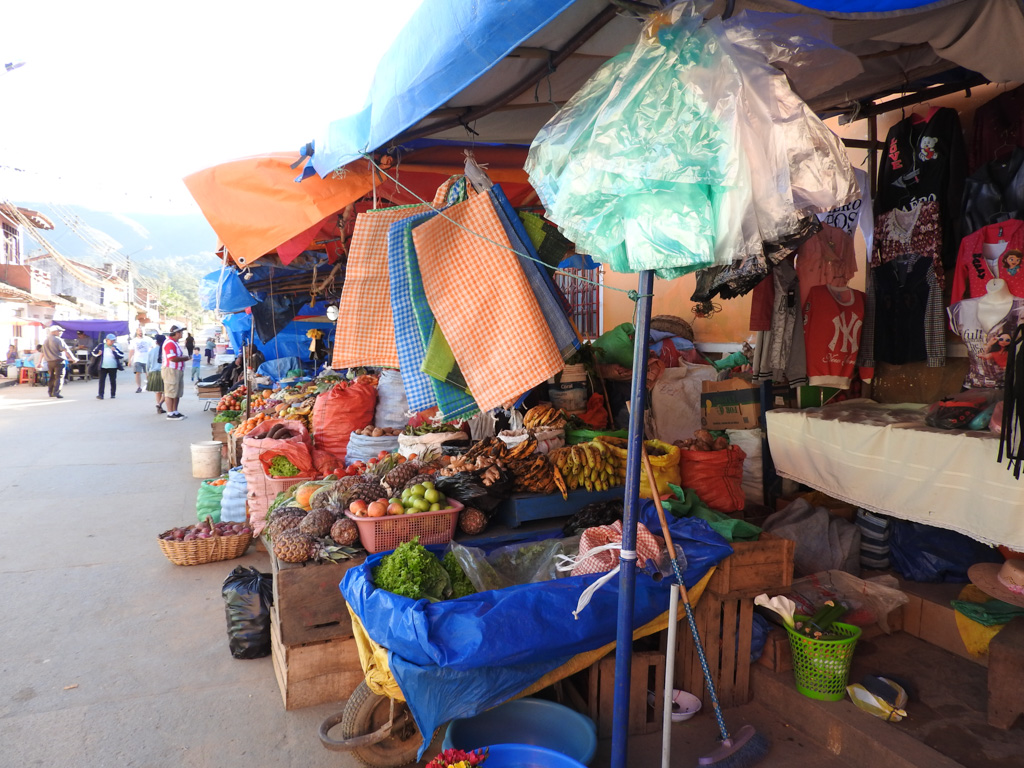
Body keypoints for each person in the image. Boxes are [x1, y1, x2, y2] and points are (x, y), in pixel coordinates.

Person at [161, 325, 190, 420]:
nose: (182, 334)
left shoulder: (174, 342)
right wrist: (185, 358)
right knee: (170, 391)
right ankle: (170, 413)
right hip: (171, 370)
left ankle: (175, 411)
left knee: (177, 392)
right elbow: (172, 358)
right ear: (176, 333)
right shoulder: (170, 343)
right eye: (181, 332)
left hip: (177, 370)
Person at [42, 325, 75, 398]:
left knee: (52, 377)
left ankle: (50, 392)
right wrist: (72, 358)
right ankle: (56, 392)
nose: (61, 333)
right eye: (59, 331)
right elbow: (66, 350)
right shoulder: (58, 339)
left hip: (49, 362)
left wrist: (40, 362)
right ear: (54, 332)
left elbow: (42, 352)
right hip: (59, 361)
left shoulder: (46, 340)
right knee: (59, 377)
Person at [91, 333, 125, 399]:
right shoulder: (101, 346)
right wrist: (98, 354)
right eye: (111, 341)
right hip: (103, 367)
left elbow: (121, 355)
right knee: (101, 381)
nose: (112, 342)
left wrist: (115, 351)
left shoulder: (115, 347)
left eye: (113, 341)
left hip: (113, 367)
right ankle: (100, 394)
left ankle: (113, 394)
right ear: (107, 340)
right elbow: (93, 353)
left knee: (112, 381)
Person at [128, 327, 155, 394]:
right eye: (139, 331)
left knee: (148, 373)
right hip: (137, 359)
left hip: (147, 359)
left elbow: (153, 347)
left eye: (141, 331)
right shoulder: (134, 341)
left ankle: (149, 385)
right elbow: (132, 350)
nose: (140, 332)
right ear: (136, 332)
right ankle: (139, 387)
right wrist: (129, 360)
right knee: (137, 373)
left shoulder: (148, 339)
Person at [146, 333, 166, 414]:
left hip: (153, 373)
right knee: (167, 391)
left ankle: (159, 407)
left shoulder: (152, 351)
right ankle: (159, 404)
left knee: (158, 391)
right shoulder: (164, 351)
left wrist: (147, 373)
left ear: (156, 342)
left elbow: (148, 364)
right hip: (163, 372)